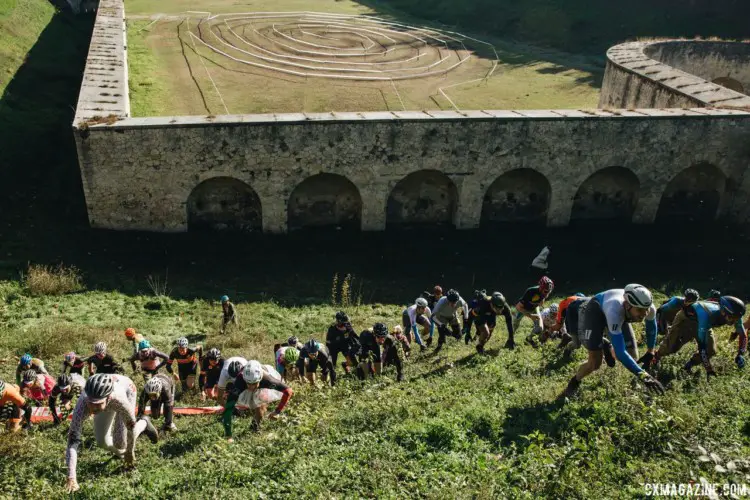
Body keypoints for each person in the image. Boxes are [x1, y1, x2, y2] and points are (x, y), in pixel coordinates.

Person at [560, 284, 664, 398]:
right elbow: (620, 351)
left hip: (619, 313)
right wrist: (644, 376)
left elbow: (651, 328)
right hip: (595, 311)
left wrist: (650, 351)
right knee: (595, 363)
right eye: (639, 310)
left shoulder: (648, 306)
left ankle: (607, 347)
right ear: (627, 305)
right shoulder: (614, 311)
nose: (644, 314)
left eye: (646, 310)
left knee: (633, 355)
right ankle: (575, 381)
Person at [64, 374, 158, 493]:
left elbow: (130, 428)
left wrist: (130, 451)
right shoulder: (82, 403)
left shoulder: (119, 400)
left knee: (120, 443)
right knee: (102, 441)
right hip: (106, 399)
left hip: (127, 389)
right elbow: (72, 441)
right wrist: (71, 477)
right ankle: (123, 453)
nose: (93, 408)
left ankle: (144, 422)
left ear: (108, 398)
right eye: (91, 402)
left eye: (97, 403)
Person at [645, 296, 746, 375]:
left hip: (705, 324)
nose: (735, 321)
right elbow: (701, 346)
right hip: (686, 319)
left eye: (737, 318)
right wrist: (709, 369)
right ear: (723, 311)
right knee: (672, 346)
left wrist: (740, 353)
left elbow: (743, 335)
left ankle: (688, 366)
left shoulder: (735, 315)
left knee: (711, 350)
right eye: (732, 318)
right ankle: (655, 357)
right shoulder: (707, 314)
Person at [223, 360, 293, 442]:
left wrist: (277, 411)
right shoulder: (239, 382)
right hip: (247, 383)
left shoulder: (267, 380)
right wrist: (228, 436)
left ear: (259, 379)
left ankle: (255, 426)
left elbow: (289, 391)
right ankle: (255, 423)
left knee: (260, 404)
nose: (252, 387)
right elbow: (228, 408)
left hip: (265, 376)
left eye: (254, 383)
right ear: (244, 379)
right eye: (249, 383)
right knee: (240, 398)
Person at [513, 276, 554, 347]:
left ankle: (529, 339)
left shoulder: (545, 292)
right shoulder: (530, 291)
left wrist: (539, 308)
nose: (547, 294)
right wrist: (530, 315)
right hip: (523, 308)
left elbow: (541, 300)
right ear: (541, 288)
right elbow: (518, 307)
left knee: (540, 328)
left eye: (550, 291)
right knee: (515, 325)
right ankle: (510, 340)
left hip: (534, 308)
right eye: (546, 291)